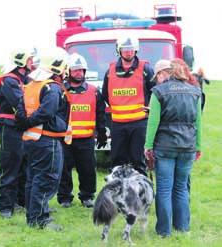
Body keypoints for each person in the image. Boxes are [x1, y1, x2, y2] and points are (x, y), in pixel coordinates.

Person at [144, 58, 202, 237]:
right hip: (188, 146)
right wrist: (198, 146)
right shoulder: (195, 91)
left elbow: (153, 122)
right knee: (181, 188)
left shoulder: (158, 92)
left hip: (165, 147)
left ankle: (164, 231)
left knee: (164, 189)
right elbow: (198, 122)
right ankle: (183, 228)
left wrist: (148, 146)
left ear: (165, 73)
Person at [16, 54, 70, 230]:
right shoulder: (52, 88)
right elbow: (47, 113)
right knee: (46, 178)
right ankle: (41, 220)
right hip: (48, 140)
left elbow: (20, 112)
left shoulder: (30, 86)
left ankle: (32, 218)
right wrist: (31, 122)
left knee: (33, 179)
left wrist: (26, 123)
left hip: (31, 140)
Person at [0, 48, 38, 218]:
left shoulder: (23, 80)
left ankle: (21, 203)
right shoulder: (9, 81)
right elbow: (21, 103)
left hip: (22, 127)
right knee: (10, 166)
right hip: (10, 128)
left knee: (25, 166)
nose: (32, 62)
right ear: (22, 62)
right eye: (30, 59)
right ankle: (5, 206)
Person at [57, 53, 107, 208]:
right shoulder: (60, 91)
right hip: (65, 138)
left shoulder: (93, 91)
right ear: (68, 72)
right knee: (64, 169)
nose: (78, 73)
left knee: (87, 169)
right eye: (75, 70)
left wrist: (102, 133)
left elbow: (100, 113)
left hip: (86, 138)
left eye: (81, 70)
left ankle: (87, 196)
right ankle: (65, 198)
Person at [102, 36, 154, 174]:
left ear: (136, 50)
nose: (128, 52)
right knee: (117, 162)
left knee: (138, 160)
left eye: (131, 49)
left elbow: (155, 92)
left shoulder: (146, 69)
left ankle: (140, 192)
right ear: (119, 51)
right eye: (125, 49)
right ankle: (118, 191)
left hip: (140, 124)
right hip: (118, 124)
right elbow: (105, 94)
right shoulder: (110, 71)